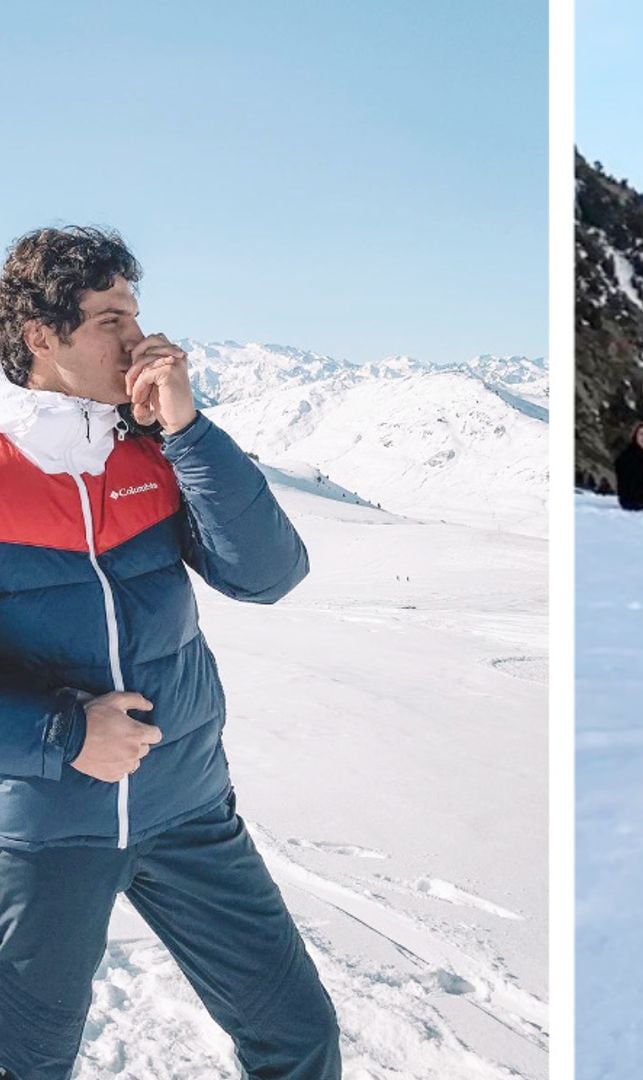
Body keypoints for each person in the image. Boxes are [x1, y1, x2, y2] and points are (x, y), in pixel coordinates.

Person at [0, 227, 340, 1078]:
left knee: (299, 1039)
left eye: (138, 314)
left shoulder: (153, 448)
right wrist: (63, 737)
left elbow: (268, 575)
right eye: (110, 318)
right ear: (42, 337)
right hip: (50, 831)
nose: (141, 339)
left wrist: (188, 433)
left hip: (189, 811)